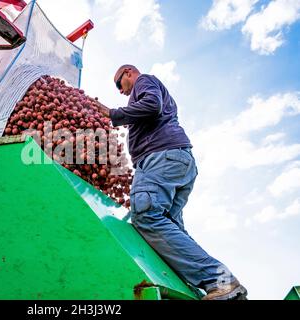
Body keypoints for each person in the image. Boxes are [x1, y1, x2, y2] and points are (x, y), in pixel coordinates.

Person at [98, 65, 248, 300]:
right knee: (170, 227)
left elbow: (151, 105)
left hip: (162, 157)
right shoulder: (153, 92)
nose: (120, 92)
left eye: (119, 84)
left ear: (128, 72)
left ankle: (221, 280)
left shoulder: (144, 81)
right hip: (178, 161)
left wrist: (113, 114)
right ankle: (215, 286)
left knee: (147, 216)